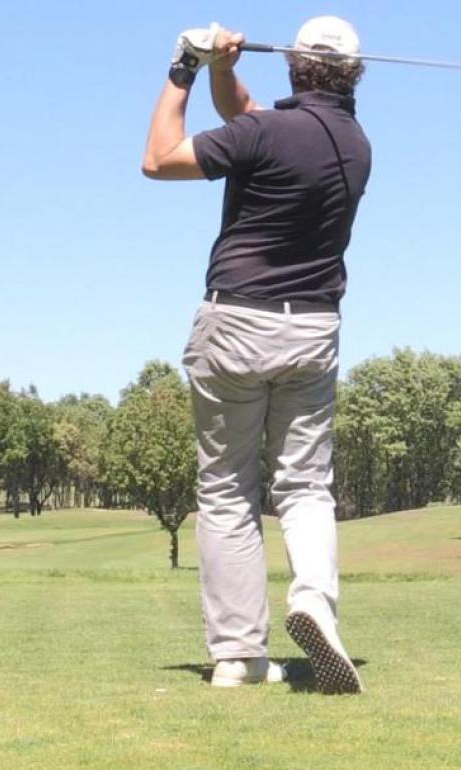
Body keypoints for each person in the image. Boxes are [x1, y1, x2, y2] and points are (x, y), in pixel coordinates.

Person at [142, 16, 371, 694]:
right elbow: (246, 114)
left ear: (295, 68)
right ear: (351, 75)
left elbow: (159, 159)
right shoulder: (354, 145)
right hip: (312, 332)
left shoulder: (264, 134)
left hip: (235, 324)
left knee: (227, 490)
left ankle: (239, 655)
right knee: (304, 486)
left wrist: (184, 64)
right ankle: (315, 605)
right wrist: (222, 71)